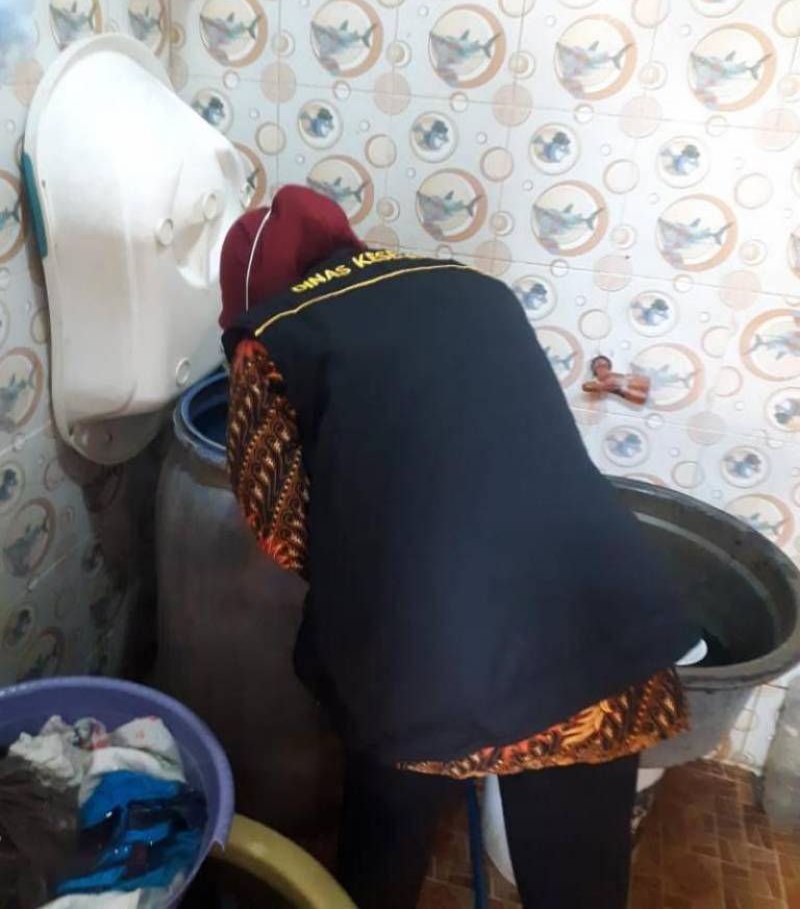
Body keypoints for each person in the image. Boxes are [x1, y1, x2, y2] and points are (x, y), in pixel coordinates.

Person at [219, 185, 695, 909]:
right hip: (595, 628)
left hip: (423, 659)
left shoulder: (273, 336)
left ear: (251, 291)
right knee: (581, 885)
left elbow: (280, 529)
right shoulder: (476, 288)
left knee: (381, 852)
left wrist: (366, 548)